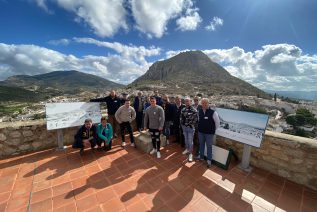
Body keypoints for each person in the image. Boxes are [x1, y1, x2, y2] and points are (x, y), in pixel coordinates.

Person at [197, 98, 220, 168]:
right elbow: (198, 120)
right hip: (201, 132)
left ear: (208, 104)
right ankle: (201, 157)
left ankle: (209, 160)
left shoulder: (213, 112)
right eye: (203, 103)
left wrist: (212, 130)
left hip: (209, 134)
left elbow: (217, 123)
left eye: (205, 103)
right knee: (201, 144)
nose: (204, 104)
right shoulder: (199, 111)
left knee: (209, 146)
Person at [180, 96, 198, 162]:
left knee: (190, 141)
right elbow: (181, 118)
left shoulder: (194, 110)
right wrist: (182, 126)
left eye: (188, 101)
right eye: (186, 101)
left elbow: (196, 120)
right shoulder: (183, 109)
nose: (187, 102)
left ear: (190, 102)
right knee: (186, 140)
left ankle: (190, 154)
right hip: (184, 128)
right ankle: (187, 149)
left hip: (190, 128)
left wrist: (189, 125)